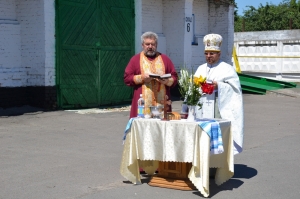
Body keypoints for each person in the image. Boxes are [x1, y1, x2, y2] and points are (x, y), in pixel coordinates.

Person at [194, 33, 244, 155]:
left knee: (218, 136)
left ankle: (218, 164)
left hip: (218, 107)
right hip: (202, 107)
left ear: (219, 54)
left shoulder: (227, 68)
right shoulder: (200, 68)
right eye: (206, 53)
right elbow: (193, 87)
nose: (209, 56)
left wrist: (219, 85)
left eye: (212, 53)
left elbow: (235, 88)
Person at [124, 31, 178, 118]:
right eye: (147, 44)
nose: (150, 47)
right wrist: (142, 78)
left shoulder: (165, 59)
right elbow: (127, 78)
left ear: (156, 45)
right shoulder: (135, 60)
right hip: (142, 105)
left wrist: (167, 81)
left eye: (153, 44)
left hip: (162, 104)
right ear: (142, 45)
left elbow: (175, 77)